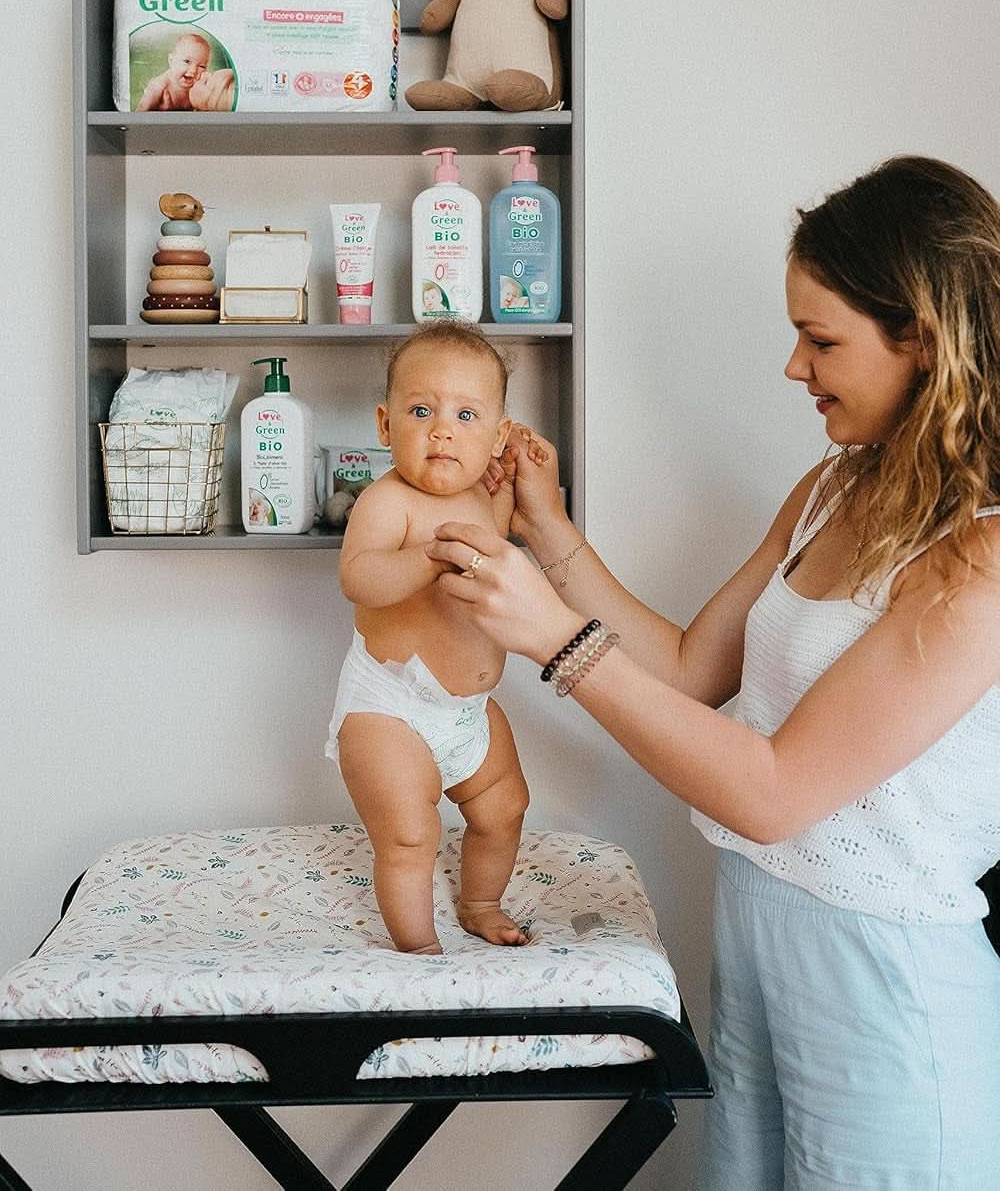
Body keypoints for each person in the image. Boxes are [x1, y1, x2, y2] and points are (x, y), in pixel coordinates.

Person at [426, 155, 1000, 1188]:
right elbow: (692, 671)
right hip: (756, 938)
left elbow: (775, 791)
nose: (794, 368)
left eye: (821, 340)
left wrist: (555, 641)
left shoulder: (981, 556)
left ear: (924, 339)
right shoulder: (833, 486)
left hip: (883, 987)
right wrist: (552, 539)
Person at [329, 321, 545, 955]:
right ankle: (419, 948)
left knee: (504, 808)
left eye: (467, 414)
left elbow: (500, 553)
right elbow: (358, 578)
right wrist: (427, 554)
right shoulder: (387, 501)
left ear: (497, 434)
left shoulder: (485, 498)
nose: (442, 430)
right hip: (390, 707)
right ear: (384, 425)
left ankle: (480, 903)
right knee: (409, 836)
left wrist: (517, 487)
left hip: (468, 711)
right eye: (420, 411)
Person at [136, 32, 235, 112]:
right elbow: (140, 112)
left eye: (201, 66)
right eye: (187, 61)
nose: (193, 70)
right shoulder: (159, 86)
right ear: (171, 61)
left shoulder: (199, 87)